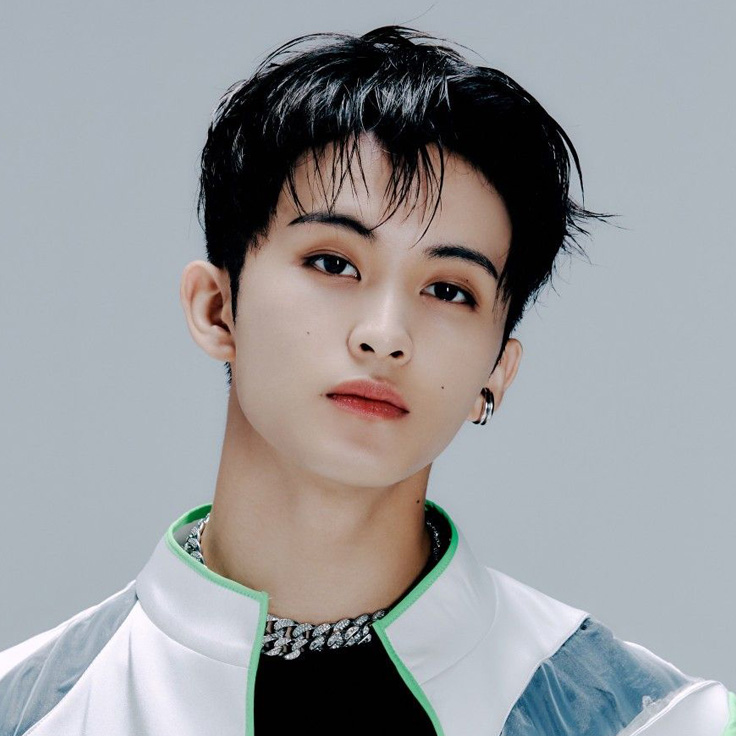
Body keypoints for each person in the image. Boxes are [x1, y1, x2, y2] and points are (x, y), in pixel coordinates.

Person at [0, 24, 732, 736]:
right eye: (334, 263)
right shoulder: (27, 709)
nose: (385, 334)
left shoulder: (653, 721)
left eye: (449, 290)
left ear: (496, 373)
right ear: (217, 308)